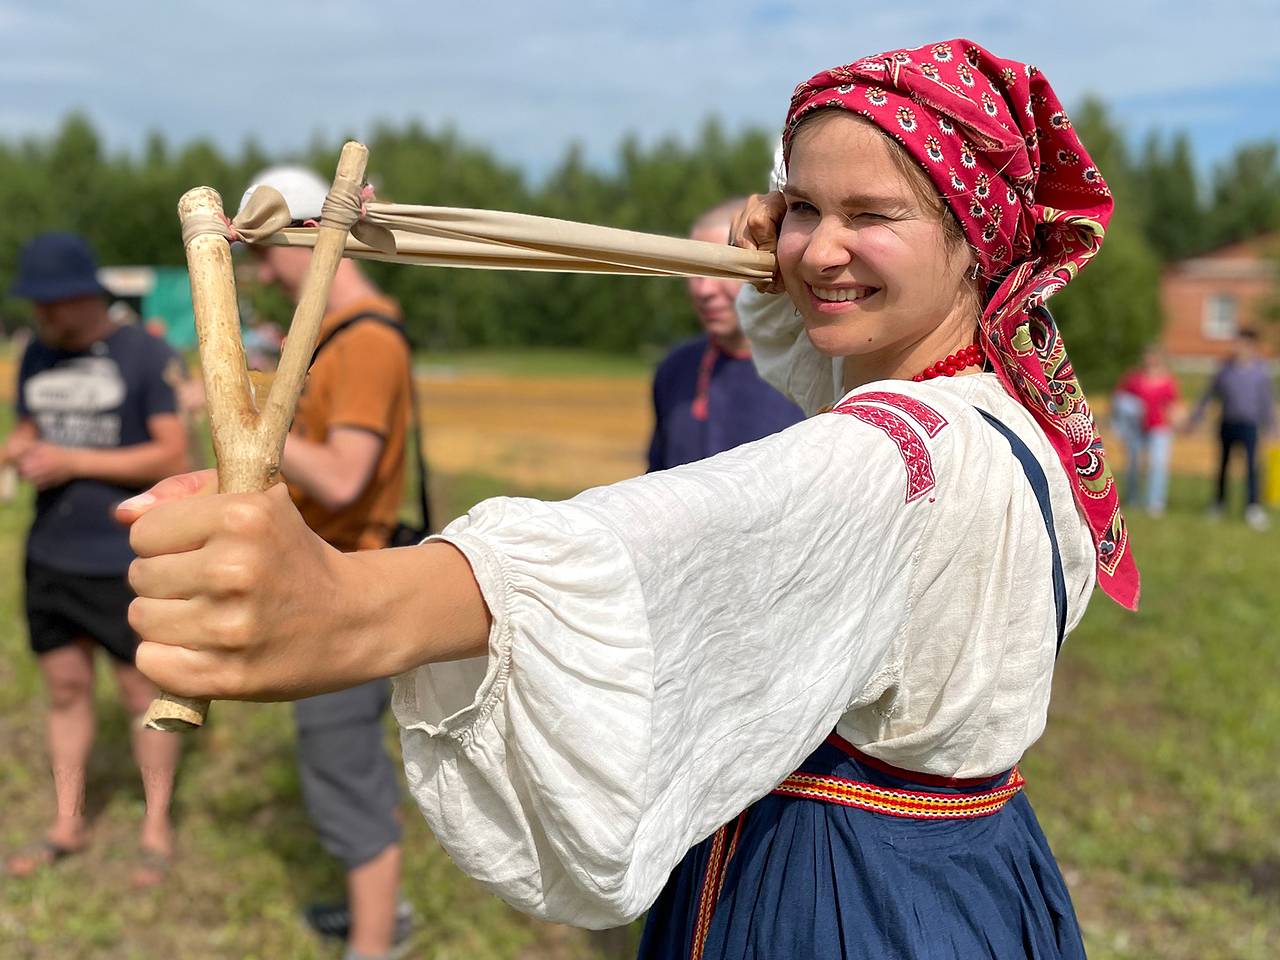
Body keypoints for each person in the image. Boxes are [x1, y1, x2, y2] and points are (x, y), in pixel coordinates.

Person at [120, 40, 1138, 959]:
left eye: (871, 215)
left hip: (837, 897)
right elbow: (835, 343)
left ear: (975, 233)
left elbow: (649, 542)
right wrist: (781, 259)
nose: (815, 249)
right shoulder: (1008, 402)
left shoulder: (889, 460)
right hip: (972, 873)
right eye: (803, 211)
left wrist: (348, 605)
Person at [236, 166, 415, 960]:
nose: (262, 269)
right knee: (334, 759)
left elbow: (343, 474)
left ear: (308, 238)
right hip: (330, 573)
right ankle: (374, 917)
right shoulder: (336, 334)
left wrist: (256, 417)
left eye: (269, 249)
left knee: (341, 766)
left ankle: (375, 943)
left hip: (352, 581)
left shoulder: (367, 337)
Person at [1, 232, 188, 887]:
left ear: (86, 295)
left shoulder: (146, 355)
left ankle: (156, 829)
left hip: (123, 557)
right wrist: (15, 450)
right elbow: (30, 426)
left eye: (52, 304)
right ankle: (66, 824)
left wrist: (75, 462)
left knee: (143, 692)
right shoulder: (36, 356)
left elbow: (172, 455)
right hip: (50, 553)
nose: (42, 316)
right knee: (65, 689)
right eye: (36, 305)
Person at [648, 199, 802, 471]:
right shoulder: (676, 368)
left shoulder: (812, 375)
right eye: (695, 271)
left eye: (721, 270)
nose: (703, 290)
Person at [1187, 329, 1275, 530]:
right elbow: (1208, 395)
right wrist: (1195, 418)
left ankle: (1253, 507)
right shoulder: (1225, 370)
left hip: (1250, 425)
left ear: (1251, 346)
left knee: (1252, 467)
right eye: (1236, 343)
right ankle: (1218, 504)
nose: (1238, 348)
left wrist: (1271, 426)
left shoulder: (1260, 372)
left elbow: (1267, 401)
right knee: (1223, 466)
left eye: (1242, 344)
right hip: (1228, 423)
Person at [1113, 347, 1181, 515]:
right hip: (1136, 429)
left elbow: (1173, 405)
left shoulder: (1167, 381)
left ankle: (1155, 502)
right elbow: (1118, 400)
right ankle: (1133, 498)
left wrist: (1179, 421)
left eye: (1153, 357)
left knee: (1158, 465)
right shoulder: (1134, 379)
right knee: (1134, 464)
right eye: (1147, 357)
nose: (1149, 361)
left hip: (1159, 428)